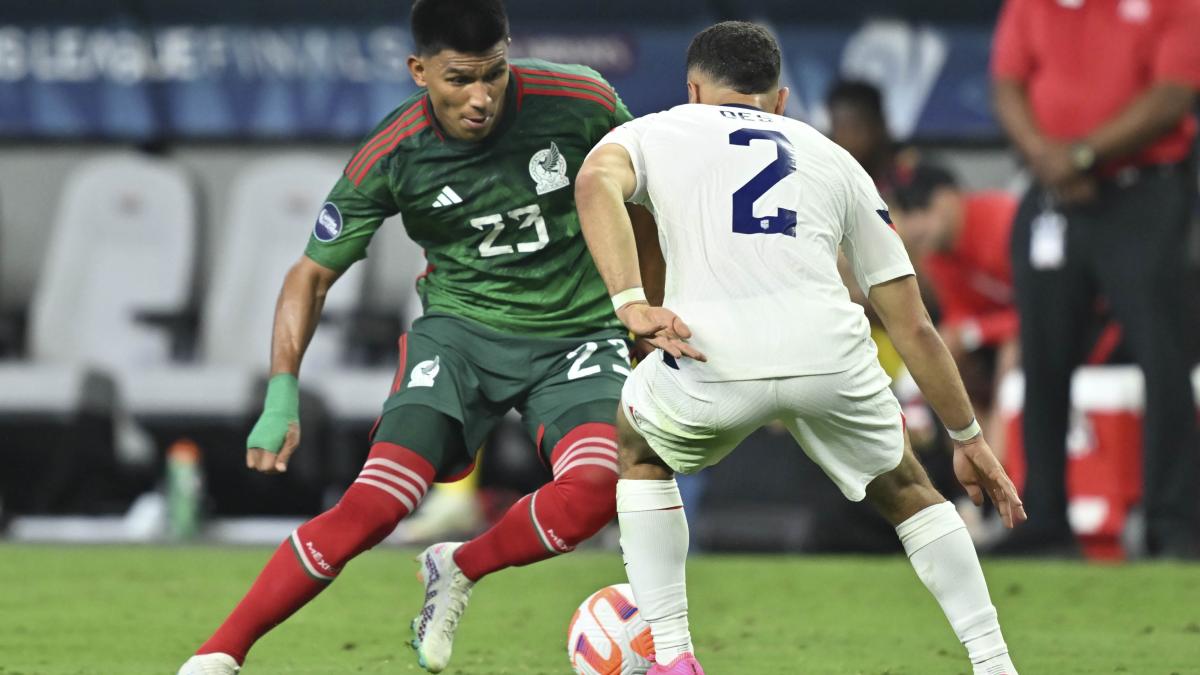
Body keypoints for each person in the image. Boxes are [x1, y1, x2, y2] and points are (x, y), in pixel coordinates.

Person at [178, 1, 647, 673]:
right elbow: (310, 275)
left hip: (577, 333)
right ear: (418, 70)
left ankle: (460, 565)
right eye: (460, 80)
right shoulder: (393, 153)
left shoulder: (580, 100)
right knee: (374, 505)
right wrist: (282, 392)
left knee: (598, 490)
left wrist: (642, 305)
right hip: (459, 339)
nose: (481, 98)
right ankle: (218, 654)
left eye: (494, 74)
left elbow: (648, 196)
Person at [576, 21, 1026, 675]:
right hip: (829, 355)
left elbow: (594, 185)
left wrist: (629, 303)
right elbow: (915, 324)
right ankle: (994, 663)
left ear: (694, 88)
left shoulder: (657, 130)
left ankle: (673, 656)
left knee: (640, 448)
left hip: (712, 357)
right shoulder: (834, 158)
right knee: (907, 486)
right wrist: (968, 435)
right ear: (781, 100)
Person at [992, 0, 1200, 557]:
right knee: (1043, 358)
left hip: (1142, 192)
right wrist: (1047, 158)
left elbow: (1172, 95)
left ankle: (1173, 525)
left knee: (1164, 356)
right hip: (1052, 193)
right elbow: (1008, 83)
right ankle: (1044, 520)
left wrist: (1082, 154)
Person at [892, 164, 1020, 455]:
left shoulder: (1002, 220)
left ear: (950, 197)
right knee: (941, 351)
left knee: (1013, 349)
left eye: (921, 208)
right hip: (998, 339)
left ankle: (1001, 458)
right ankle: (975, 454)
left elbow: (1039, 307)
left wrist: (975, 332)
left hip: (1063, 327)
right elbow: (958, 316)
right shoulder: (936, 254)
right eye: (906, 213)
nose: (912, 226)